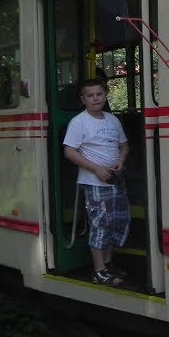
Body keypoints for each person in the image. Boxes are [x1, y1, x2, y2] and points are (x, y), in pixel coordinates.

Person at [62, 79, 131, 286]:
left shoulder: (112, 120)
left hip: (116, 179)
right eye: (90, 95)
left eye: (99, 94)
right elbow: (69, 152)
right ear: (83, 99)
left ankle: (108, 264)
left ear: (106, 95)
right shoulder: (79, 122)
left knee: (117, 222)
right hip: (94, 182)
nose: (95, 98)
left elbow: (124, 146)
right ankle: (98, 270)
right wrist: (96, 169)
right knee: (101, 224)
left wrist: (120, 161)